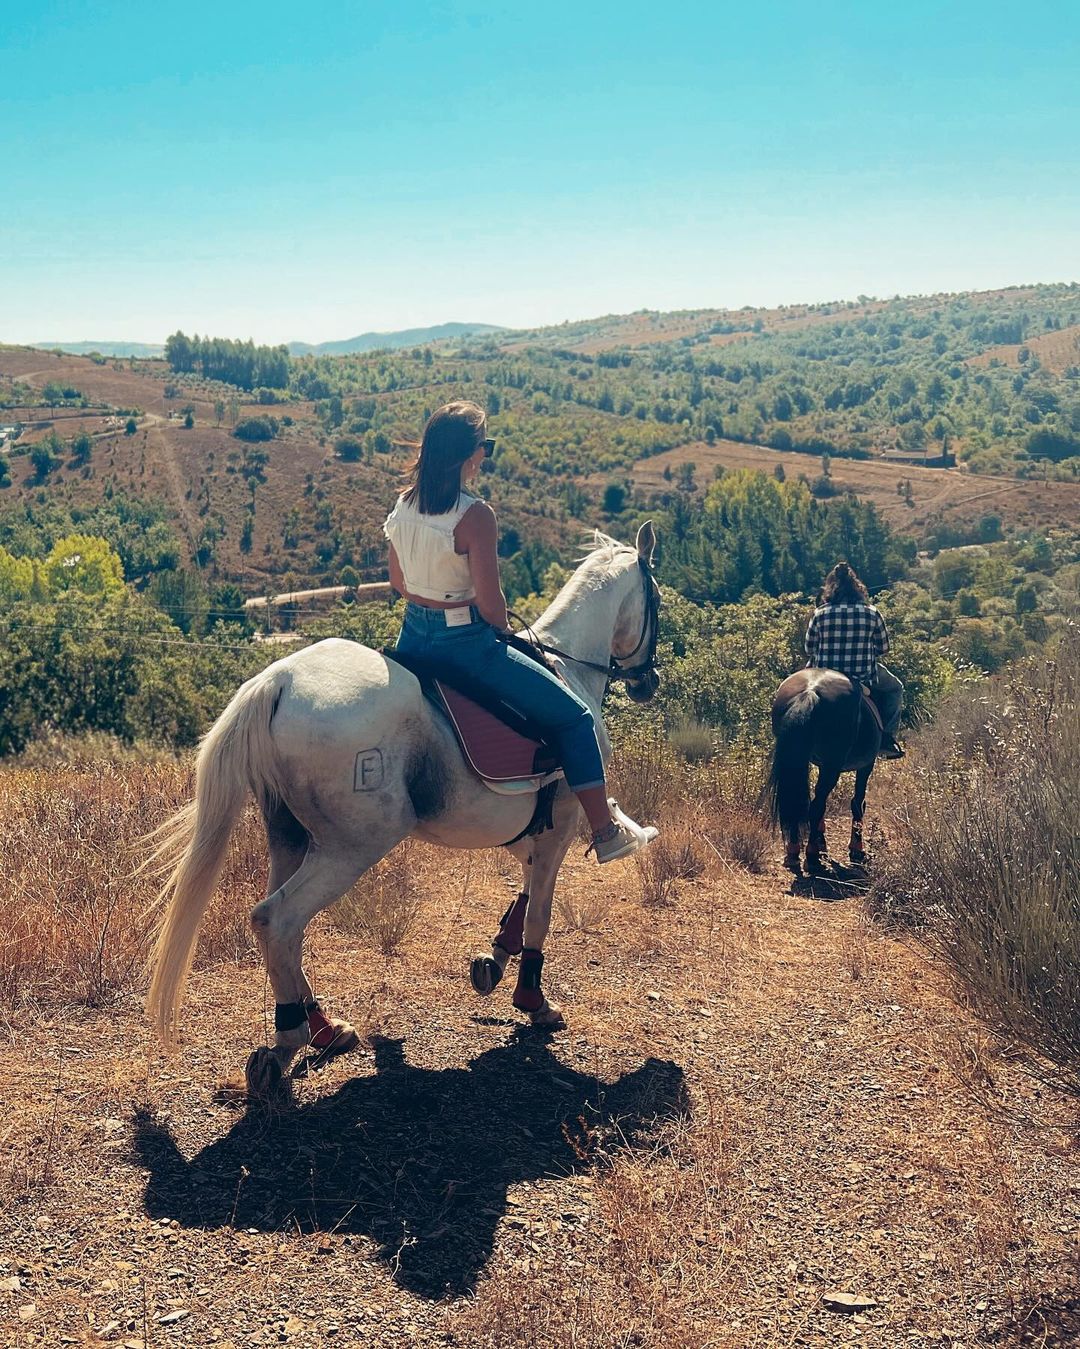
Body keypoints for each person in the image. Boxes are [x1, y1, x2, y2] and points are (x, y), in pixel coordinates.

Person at [383, 400, 658, 862]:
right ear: (466, 455)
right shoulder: (475, 516)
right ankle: (605, 831)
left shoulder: (403, 506)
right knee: (576, 718)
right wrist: (497, 630)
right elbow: (492, 606)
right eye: (484, 447)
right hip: (465, 647)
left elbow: (398, 583)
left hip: (412, 640)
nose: (486, 456)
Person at [804, 561, 905, 759]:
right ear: (857, 588)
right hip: (862, 676)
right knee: (895, 688)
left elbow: (809, 649)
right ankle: (886, 739)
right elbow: (884, 648)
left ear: (830, 588)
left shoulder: (819, 614)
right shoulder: (872, 613)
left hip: (824, 676)